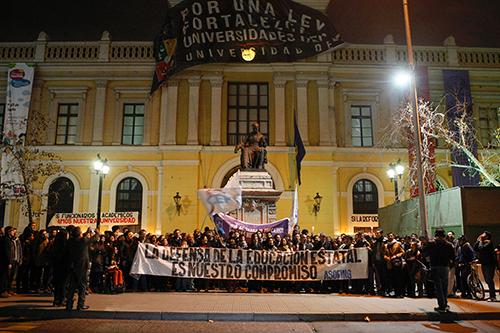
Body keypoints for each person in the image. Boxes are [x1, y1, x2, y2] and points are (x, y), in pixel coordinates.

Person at [424, 228, 455, 312]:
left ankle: (442, 305)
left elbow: (425, 252)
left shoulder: (431, 243)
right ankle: (445, 303)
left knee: (438, 287)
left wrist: (429, 259)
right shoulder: (449, 244)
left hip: (435, 266)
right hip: (445, 267)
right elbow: (453, 256)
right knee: (444, 286)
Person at [65, 227, 92, 311]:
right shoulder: (83, 241)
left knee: (72, 286)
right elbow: (94, 238)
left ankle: (69, 304)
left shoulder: (70, 241)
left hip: (73, 265)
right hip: (82, 266)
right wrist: (93, 231)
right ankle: (80, 304)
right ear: (80, 234)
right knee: (82, 286)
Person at [473, 231, 497, 302]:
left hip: (489, 264)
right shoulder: (482, 242)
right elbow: (475, 248)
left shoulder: (489, 242)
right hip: (484, 263)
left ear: (487, 236)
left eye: (483, 234)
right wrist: (477, 241)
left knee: (489, 279)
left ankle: (493, 297)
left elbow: (481, 248)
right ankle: (492, 295)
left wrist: (480, 241)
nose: (482, 235)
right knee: (487, 280)